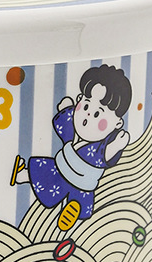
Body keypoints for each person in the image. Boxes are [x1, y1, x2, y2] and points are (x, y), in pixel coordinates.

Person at [10, 64, 132, 228]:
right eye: (86, 105)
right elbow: (67, 121)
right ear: (79, 99)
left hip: (83, 181)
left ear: (117, 123)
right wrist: (66, 108)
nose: (88, 114)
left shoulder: (100, 148)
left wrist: (116, 145)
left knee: (59, 186)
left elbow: (105, 155)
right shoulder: (73, 131)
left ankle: (72, 211)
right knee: (43, 174)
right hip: (62, 167)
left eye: (98, 113)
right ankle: (22, 176)